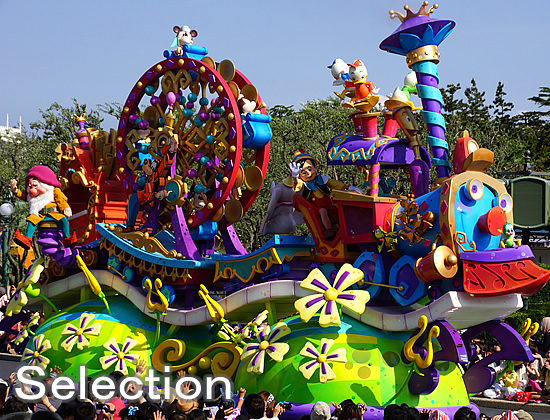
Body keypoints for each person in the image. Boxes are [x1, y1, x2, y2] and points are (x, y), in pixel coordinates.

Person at [288, 150, 363, 240]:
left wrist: (348, 187)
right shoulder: (305, 184)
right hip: (319, 208)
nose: (308, 173)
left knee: (340, 210)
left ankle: (349, 229)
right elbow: (297, 185)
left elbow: (334, 183)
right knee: (323, 211)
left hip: (329, 205)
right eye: (303, 172)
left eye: (309, 169)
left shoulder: (321, 179)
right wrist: (295, 176)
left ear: (315, 167)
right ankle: (329, 230)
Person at [10, 166, 76, 249]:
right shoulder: (33, 197)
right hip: (40, 215)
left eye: (35, 185)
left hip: (54, 214)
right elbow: (24, 196)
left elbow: (61, 200)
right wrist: (15, 191)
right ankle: (27, 240)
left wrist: (65, 208)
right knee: (31, 220)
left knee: (63, 220)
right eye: (30, 187)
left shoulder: (53, 191)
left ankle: (67, 238)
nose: (32, 190)